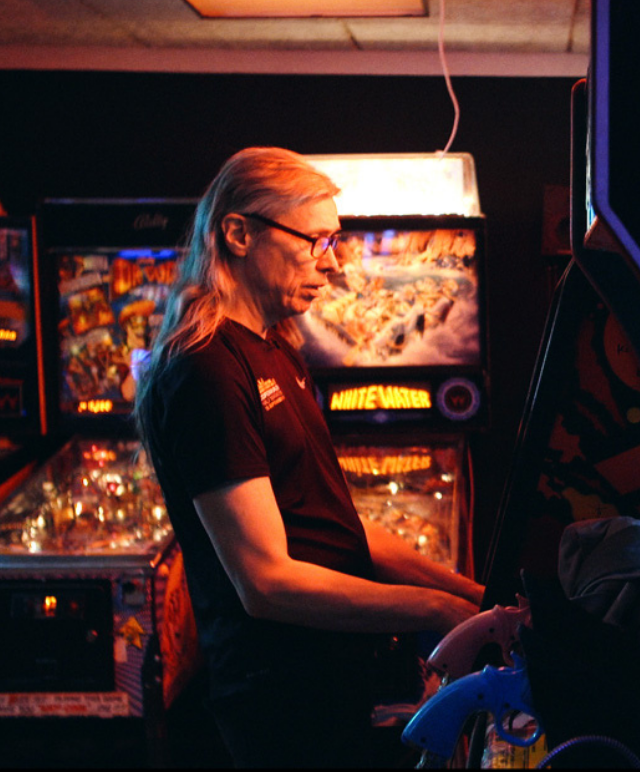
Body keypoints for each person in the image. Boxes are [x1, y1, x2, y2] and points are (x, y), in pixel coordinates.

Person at [133, 147, 484, 768]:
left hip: (327, 671)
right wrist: (438, 610)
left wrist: (473, 596)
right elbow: (266, 583)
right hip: (278, 697)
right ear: (238, 233)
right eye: (317, 241)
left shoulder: (274, 347)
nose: (335, 263)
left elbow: (339, 525)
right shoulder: (207, 370)